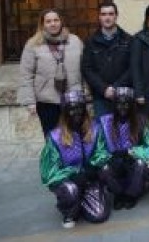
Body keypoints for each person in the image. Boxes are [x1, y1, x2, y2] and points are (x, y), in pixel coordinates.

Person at [40, 90, 111, 228]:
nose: (76, 112)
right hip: (69, 182)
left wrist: (92, 168)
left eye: (79, 107)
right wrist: (73, 174)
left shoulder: (95, 129)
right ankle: (69, 210)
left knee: (99, 215)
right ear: (65, 112)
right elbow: (48, 172)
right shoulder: (55, 137)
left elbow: (102, 153)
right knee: (71, 190)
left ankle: (84, 200)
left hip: (89, 180)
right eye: (71, 109)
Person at [17, 8, 84, 136]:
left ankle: (73, 157)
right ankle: (53, 157)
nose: (53, 24)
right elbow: (26, 75)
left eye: (56, 20)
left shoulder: (75, 41)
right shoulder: (33, 44)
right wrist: (30, 101)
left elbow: (85, 68)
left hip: (73, 98)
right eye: (48, 21)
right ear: (42, 24)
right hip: (47, 101)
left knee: (75, 137)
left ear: (61, 22)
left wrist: (85, 93)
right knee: (52, 138)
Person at [98, 87, 149, 209]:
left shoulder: (142, 120)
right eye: (119, 103)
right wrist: (110, 156)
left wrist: (132, 152)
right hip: (114, 162)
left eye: (126, 104)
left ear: (132, 105)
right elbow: (98, 150)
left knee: (141, 164)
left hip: (132, 161)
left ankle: (131, 195)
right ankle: (118, 195)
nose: (122, 107)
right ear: (114, 105)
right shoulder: (104, 122)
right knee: (104, 168)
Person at [82, 2, 132, 118]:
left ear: (116, 16)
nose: (107, 17)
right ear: (99, 17)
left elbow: (132, 68)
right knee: (104, 132)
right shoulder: (90, 41)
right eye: (104, 14)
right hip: (101, 96)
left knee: (125, 131)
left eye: (111, 14)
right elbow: (87, 69)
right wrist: (104, 88)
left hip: (124, 95)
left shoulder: (129, 40)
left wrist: (116, 87)